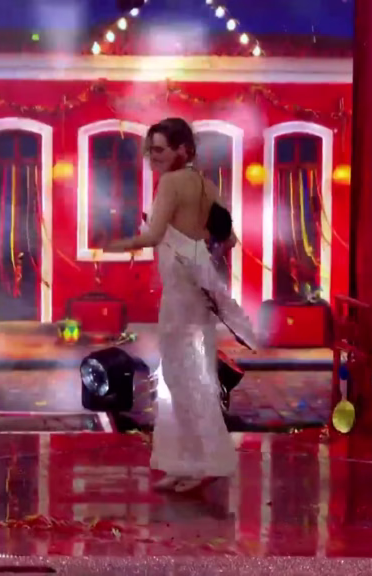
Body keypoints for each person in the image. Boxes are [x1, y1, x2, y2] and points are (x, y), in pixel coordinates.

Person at [104, 117, 257, 494]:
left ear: (183, 150)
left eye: (159, 149)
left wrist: (114, 245)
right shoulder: (208, 185)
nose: (152, 156)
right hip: (195, 291)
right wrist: (195, 247)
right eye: (150, 149)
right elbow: (228, 239)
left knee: (181, 380)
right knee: (189, 378)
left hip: (180, 296)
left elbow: (153, 235)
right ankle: (187, 463)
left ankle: (204, 462)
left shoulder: (171, 183)